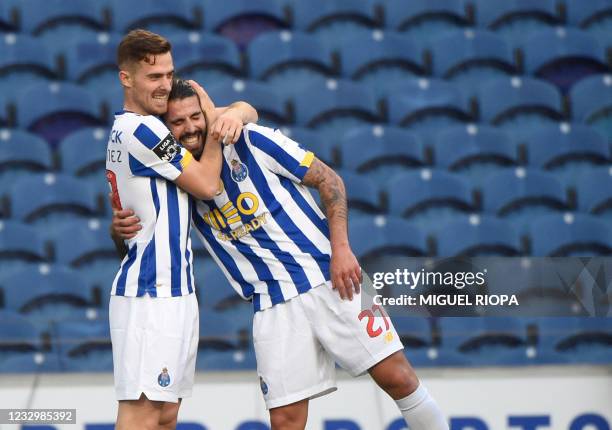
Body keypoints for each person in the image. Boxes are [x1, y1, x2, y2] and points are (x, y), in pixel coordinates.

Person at [112, 79, 449, 430]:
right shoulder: (177, 180)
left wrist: (342, 249)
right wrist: (117, 228)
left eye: (196, 117)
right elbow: (142, 231)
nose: (190, 128)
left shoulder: (253, 139)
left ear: (208, 113)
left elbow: (329, 180)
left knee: (397, 377)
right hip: (271, 304)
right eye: (177, 123)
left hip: (329, 276)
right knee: (286, 421)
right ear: (166, 131)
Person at [107, 30, 257, 430]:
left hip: (173, 292)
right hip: (149, 293)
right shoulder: (144, 130)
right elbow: (209, 184)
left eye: (169, 75)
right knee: (142, 414)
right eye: (153, 77)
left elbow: (247, 110)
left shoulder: (140, 127)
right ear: (126, 78)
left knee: (166, 415)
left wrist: (231, 112)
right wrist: (215, 125)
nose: (164, 85)